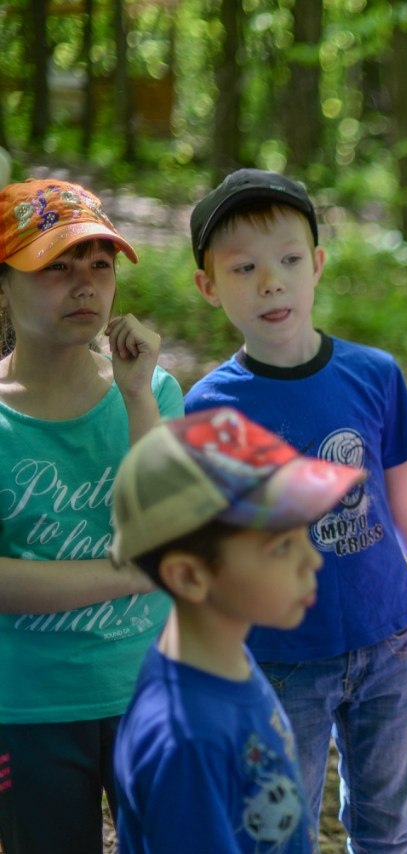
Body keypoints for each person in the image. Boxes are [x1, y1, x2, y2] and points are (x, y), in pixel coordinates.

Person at [183, 168, 407, 851]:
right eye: (244, 268)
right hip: (284, 656)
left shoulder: (374, 375)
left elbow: (406, 502)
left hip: (386, 642)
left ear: (316, 265)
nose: (271, 282)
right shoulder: (210, 406)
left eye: (289, 260)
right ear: (208, 286)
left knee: (387, 826)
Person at [0, 178, 183, 853]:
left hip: (153, 691)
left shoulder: (153, 391)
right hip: (27, 707)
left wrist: (136, 396)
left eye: (99, 265)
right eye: (55, 265)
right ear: (5, 285)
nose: (84, 284)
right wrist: (128, 572)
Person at [112, 407, 366, 852]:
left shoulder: (226, 658)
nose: (313, 561)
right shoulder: (185, 741)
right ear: (190, 576)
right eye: (282, 546)